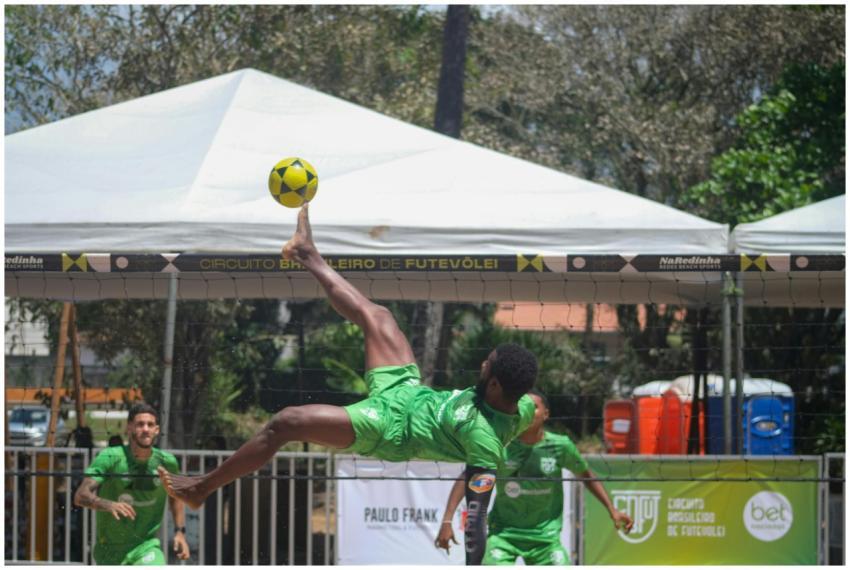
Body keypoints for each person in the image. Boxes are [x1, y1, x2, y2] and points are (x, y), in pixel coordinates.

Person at [157, 203, 539, 565]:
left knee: (286, 421)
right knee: (378, 316)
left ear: (494, 385)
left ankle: (200, 489)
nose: (481, 361)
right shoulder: (521, 405)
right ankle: (307, 253)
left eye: (486, 364)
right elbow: (535, 407)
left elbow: (476, 521)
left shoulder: (485, 442)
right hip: (407, 391)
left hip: (391, 428)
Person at [435, 390, 633, 565]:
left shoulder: (560, 446)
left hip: (545, 539)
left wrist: (612, 509)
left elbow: (586, 476)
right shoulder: (500, 445)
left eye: (534, 407)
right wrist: (447, 521)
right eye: (523, 406)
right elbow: (468, 477)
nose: (528, 411)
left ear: (546, 414)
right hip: (504, 536)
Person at [74, 403, 190, 565]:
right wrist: (106, 504)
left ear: (156, 430)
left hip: (146, 546)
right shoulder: (111, 457)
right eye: (140, 424)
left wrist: (180, 532)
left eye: (150, 425)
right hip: (110, 550)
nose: (145, 429)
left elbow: (176, 495)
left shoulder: (167, 462)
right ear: (129, 428)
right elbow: (80, 496)